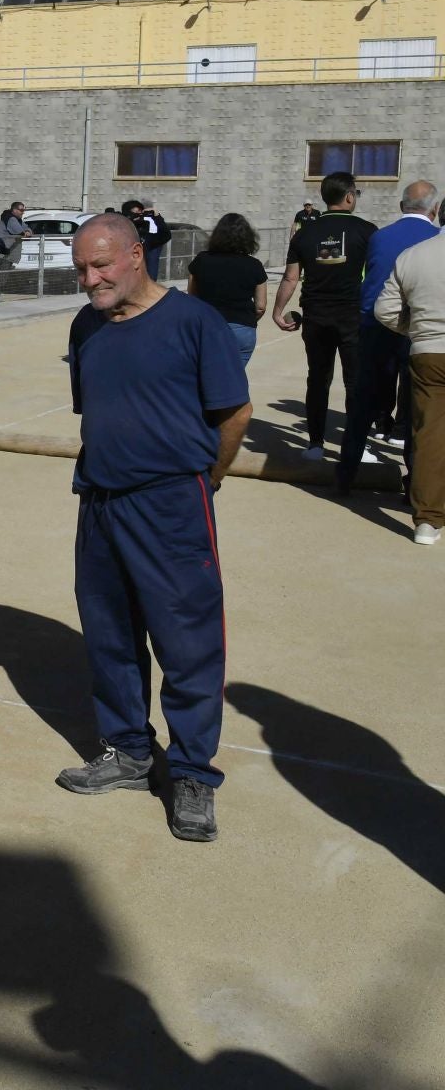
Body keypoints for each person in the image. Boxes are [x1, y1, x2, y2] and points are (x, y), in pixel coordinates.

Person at [56, 214, 250, 843]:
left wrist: (204, 481)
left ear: (137, 255)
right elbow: (102, 409)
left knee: (187, 641)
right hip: (101, 503)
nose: (91, 279)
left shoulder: (194, 323)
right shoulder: (86, 326)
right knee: (109, 636)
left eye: (103, 264)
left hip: (172, 505)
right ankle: (129, 751)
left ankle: (191, 772)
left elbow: (234, 414)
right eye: (83, 268)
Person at [340, 180, 439, 491]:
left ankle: (345, 476)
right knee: (416, 412)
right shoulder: (435, 240)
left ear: (401, 207)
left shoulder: (379, 236)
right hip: (418, 331)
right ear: (434, 210)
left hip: (374, 325)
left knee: (363, 404)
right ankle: (414, 483)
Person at [273, 171, 376, 462]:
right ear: (349, 196)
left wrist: (278, 310)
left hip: (316, 315)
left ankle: (315, 444)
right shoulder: (368, 231)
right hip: (352, 315)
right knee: (356, 381)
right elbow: (377, 275)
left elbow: (291, 278)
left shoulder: (305, 233)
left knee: (318, 379)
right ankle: (356, 445)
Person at [374, 218, 445, 545]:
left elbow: (385, 310)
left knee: (429, 434)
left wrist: (415, 332)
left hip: (428, 349)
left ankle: (427, 521)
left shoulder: (413, 255)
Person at [185, 214, 270, 366]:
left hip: (208, 327)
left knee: (205, 379)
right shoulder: (254, 265)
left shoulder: (201, 260)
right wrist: (245, 320)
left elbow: (191, 297)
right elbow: (261, 306)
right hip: (242, 330)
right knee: (234, 379)